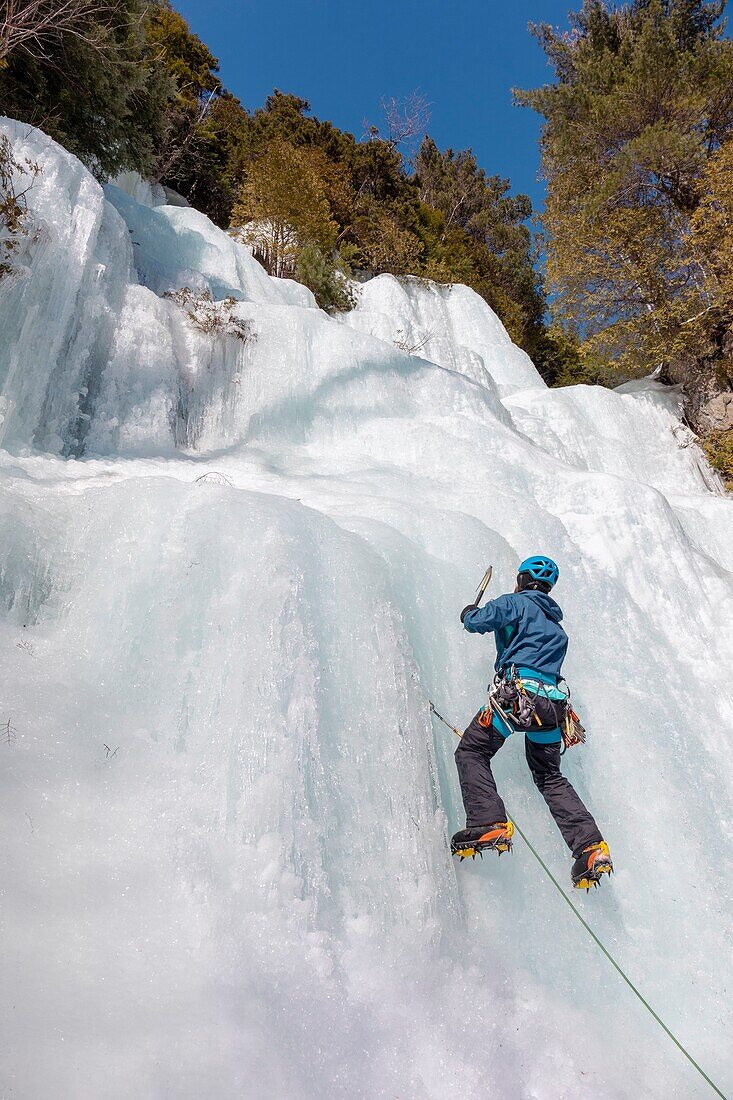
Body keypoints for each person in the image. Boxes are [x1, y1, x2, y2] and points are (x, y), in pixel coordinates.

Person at [451, 555, 613, 890]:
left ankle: (488, 821)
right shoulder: (557, 627)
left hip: (520, 698)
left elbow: (481, 621)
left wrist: (468, 614)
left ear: (522, 580)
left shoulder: (515, 603)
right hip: (553, 709)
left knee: (472, 752)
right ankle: (590, 847)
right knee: (550, 777)